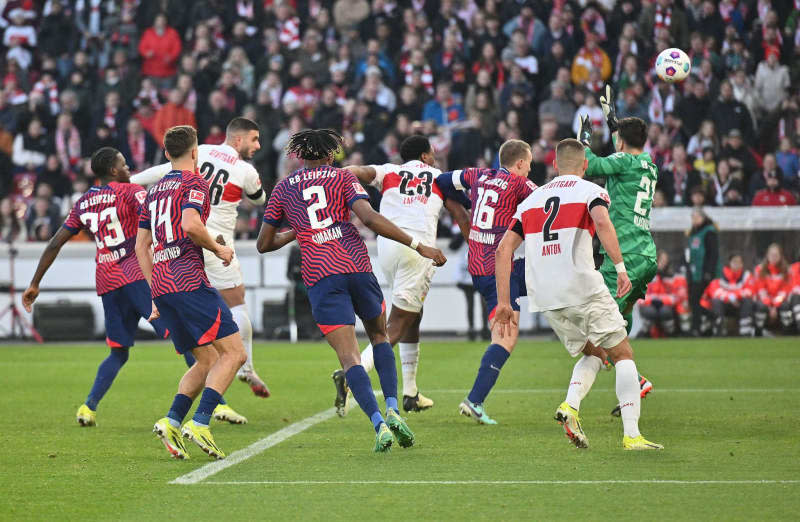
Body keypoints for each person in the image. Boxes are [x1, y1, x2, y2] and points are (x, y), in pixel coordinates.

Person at [257, 128, 446, 452]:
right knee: (380, 337)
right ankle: (393, 408)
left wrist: (300, 230)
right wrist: (418, 244)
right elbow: (370, 218)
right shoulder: (341, 178)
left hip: (320, 275)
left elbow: (263, 244)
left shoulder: (283, 188)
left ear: (300, 157)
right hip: (356, 266)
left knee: (349, 358)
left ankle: (379, 425)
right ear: (330, 155)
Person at [495, 138, 661, 450]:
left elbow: (503, 250)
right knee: (623, 353)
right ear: (585, 166)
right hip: (581, 286)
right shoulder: (591, 191)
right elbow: (602, 222)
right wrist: (621, 268)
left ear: (554, 166)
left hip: (546, 297)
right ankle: (632, 435)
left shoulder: (531, 200)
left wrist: (504, 302)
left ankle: (571, 406)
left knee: (596, 353)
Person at [21, 147, 169, 427]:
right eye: (124, 164)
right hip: (137, 276)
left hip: (108, 281)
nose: (130, 169)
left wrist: (35, 283)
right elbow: (157, 222)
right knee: (182, 334)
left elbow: (55, 242)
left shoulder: (84, 202)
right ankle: (213, 406)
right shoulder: (130, 191)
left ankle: (88, 407)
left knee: (118, 351)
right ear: (113, 170)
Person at [133, 117, 274, 403]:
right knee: (237, 302)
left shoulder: (198, 152)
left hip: (175, 250)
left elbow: (150, 176)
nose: (257, 145)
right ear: (238, 140)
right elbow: (260, 199)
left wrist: (129, 186)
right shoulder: (244, 169)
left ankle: (201, 384)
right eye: (254, 139)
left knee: (198, 337)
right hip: (213, 243)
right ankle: (243, 368)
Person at [332, 134, 470, 415]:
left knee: (412, 315)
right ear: (425, 157)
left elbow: (356, 172)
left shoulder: (389, 171)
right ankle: (353, 372)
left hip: (389, 248)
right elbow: (461, 215)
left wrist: (332, 175)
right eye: (432, 154)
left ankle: (410, 392)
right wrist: (478, 251)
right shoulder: (438, 177)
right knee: (396, 325)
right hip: (418, 249)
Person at [137, 126, 247, 460]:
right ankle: (199, 422)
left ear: (167, 154)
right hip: (189, 281)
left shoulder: (154, 191)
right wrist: (219, 249)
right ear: (195, 151)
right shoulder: (195, 182)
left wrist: (154, 291)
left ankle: (171, 421)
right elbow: (190, 225)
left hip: (165, 286)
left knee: (206, 358)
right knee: (235, 354)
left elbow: (142, 245)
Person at [435, 139, 538, 425]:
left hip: (479, 267)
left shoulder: (477, 175)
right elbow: (546, 204)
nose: (530, 170)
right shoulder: (520, 185)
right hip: (499, 269)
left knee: (549, 282)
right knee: (505, 338)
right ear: (519, 163)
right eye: (528, 164)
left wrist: (470, 205)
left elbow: (442, 181)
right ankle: (475, 400)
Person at [578, 86, 654, 412]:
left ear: (621, 142)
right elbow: (624, 154)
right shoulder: (648, 163)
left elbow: (589, 165)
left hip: (623, 253)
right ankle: (629, 381)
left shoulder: (622, 160)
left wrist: (583, 138)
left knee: (598, 324)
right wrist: (614, 124)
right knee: (620, 318)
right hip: (646, 253)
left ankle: (634, 381)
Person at [637, 250, 690, 338]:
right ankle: (646, 333)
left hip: (667, 306)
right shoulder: (646, 275)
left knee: (665, 311)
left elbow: (678, 297)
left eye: (665, 260)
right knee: (650, 312)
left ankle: (671, 334)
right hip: (649, 305)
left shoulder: (672, 277)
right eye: (661, 260)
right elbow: (639, 296)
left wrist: (661, 300)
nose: (663, 263)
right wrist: (653, 300)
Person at [702, 254, 755, 337]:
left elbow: (749, 291)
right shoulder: (720, 274)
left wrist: (734, 297)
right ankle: (718, 331)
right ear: (729, 263)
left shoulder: (747, 275)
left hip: (739, 305)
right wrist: (732, 298)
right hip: (725, 305)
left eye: (739, 262)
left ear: (742, 264)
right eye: (734, 262)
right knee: (716, 301)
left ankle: (745, 332)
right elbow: (716, 292)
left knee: (747, 300)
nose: (737, 264)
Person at [686, 208, 719, 335]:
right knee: (693, 301)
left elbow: (713, 254)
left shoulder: (709, 232)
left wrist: (709, 272)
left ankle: (697, 328)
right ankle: (710, 319)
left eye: (695, 217)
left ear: (702, 218)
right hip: (694, 273)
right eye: (692, 218)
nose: (693, 220)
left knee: (695, 301)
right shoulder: (693, 232)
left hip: (704, 273)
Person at [752, 243, 794, 335]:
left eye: (776, 255)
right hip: (764, 300)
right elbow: (761, 290)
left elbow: (785, 291)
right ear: (767, 255)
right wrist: (769, 305)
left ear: (780, 256)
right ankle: (758, 333)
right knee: (760, 306)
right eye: (771, 255)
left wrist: (775, 305)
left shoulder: (787, 270)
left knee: (785, 306)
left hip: (779, 300)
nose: (773, 257)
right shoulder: (759, 269)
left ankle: (787, 333)